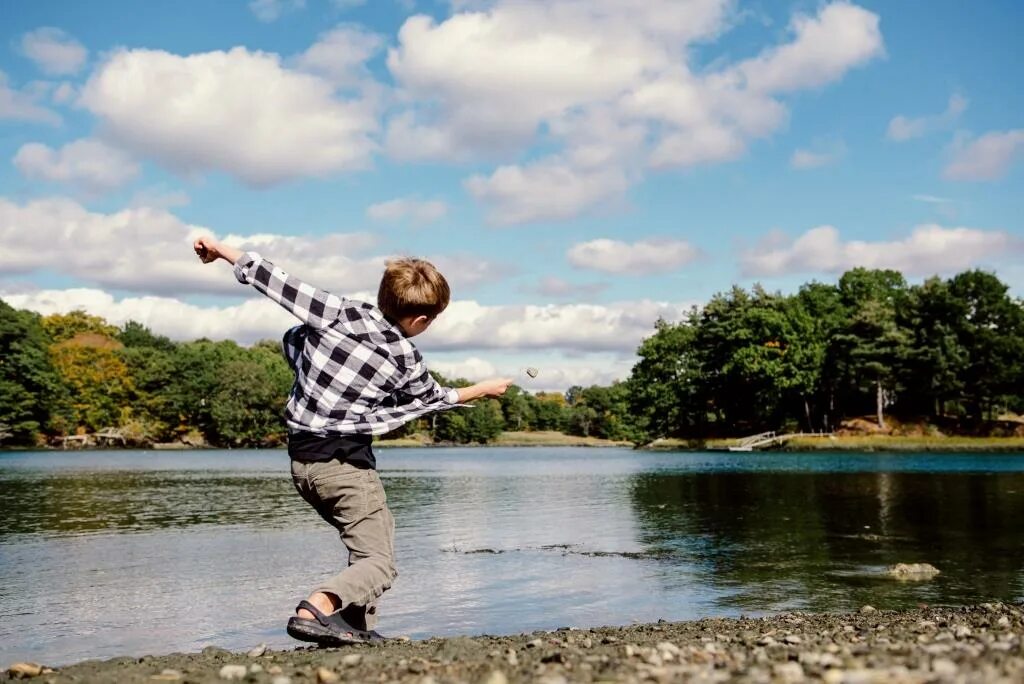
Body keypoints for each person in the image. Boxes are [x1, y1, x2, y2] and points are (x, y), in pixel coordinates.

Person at [193, 237, 511, 645]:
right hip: (345, 466)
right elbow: (436, 399)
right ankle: (317, 610)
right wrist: (483, 388)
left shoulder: (338, 312)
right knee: (379, 562)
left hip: (303, 465)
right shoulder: (405, 358)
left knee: (374, 539)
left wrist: (220, 250)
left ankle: (353, 627)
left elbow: (273, 278)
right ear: (421, 321)